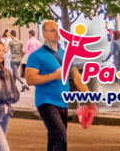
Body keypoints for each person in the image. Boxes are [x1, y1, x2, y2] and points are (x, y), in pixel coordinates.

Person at [26, 20, 94, 151]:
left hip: (62, 103)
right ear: (44, 33)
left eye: (58, 30)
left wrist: (90, 99)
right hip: (46, 102)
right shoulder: (36, 56)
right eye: (52, 30)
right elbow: (30, 79)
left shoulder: (65, 53)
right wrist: (54, 76)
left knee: (58, 140)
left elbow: (77, 78)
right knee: (59, 135)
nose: (57, 33)